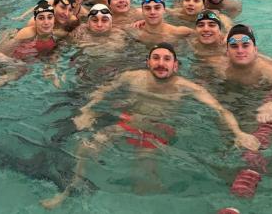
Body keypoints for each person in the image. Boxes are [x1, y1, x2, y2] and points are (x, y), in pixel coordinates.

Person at [40, 43, 260, 209]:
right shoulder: (132, 77)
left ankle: (150, 206)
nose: (160, 63)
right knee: (85, 147)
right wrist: (87, 111)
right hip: (129, 121)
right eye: (155, 58)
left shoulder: (186, 87)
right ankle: (68, 190)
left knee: (145, 174)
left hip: (159, 130)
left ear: (176, 65)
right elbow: (103, 91)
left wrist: (239, 133)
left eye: (166, 59)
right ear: (148, 62)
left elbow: (220, 109)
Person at [169, 0, 233, 30]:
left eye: (196, 0)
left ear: (203, 5)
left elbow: (225, 20)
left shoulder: (209, 14)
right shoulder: (175, 13)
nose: (190, 3)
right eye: (187, 0)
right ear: (182, 3)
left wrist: (228, 30)